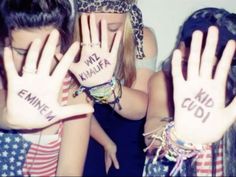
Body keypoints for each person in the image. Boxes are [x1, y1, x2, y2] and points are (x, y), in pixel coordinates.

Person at [0, 0, 94, 176]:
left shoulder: (74, 92)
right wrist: (8, 116)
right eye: (22, 52)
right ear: (3, 43)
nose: (33, 62)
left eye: (47, 50)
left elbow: (69, 171)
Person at [68, 0, 157, 176]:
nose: (102, 37)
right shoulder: (70, 38)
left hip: (128, 116)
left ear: (127, 19)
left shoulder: (141, 37)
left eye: (113, 28)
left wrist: (104, 86)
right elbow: (73, 108)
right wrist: (106, 142)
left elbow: (140, 108)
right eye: (92, 26)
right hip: (85, 117)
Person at [144, 7, 236, 176]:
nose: (191, 75)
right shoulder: (163, 81)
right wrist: (179, 138)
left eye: (210, 68)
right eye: (186, 63)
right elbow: (151, 133)